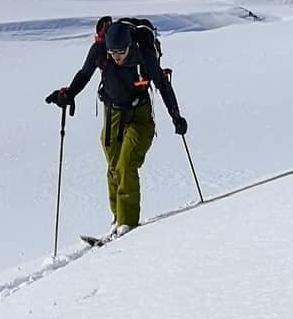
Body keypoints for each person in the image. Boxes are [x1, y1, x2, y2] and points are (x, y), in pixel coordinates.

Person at [46, 18, 187, 236]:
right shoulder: (100, 51)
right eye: (113, 53)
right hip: (112, 114)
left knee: (126, 164)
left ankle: (127, 223)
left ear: (130, 45)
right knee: (113, 167)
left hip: (140, 115)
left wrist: (175, 116)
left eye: (121, 52)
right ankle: (118, 218)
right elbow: (85, 74)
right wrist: (68, 94)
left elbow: (163, 85)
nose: (117, 57)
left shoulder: (144, 56)